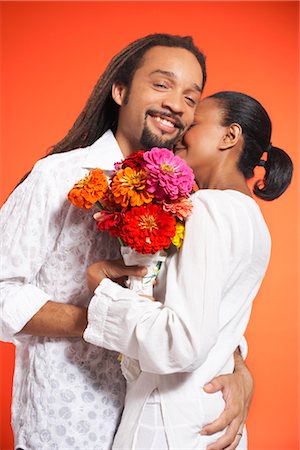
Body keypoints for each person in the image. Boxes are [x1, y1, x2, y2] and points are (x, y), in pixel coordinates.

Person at [1, 34, 252, 450]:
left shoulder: (191, 201)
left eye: (192, 98)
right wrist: (102, 323)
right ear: (120, 91)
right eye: (161, 85)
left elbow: (204, 303)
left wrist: (241, 370)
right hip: (71, 421)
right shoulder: (58, 177)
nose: (176, 104)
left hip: (160, 420)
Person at [83, 91, 293, 449]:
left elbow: (180, 342)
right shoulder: (253, 220)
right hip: (210, 412)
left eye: (194, 124)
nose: (180, 132)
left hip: (165, 420)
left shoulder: (206, 209)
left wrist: (103, 293)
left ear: (230, 136)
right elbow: (212, 324)